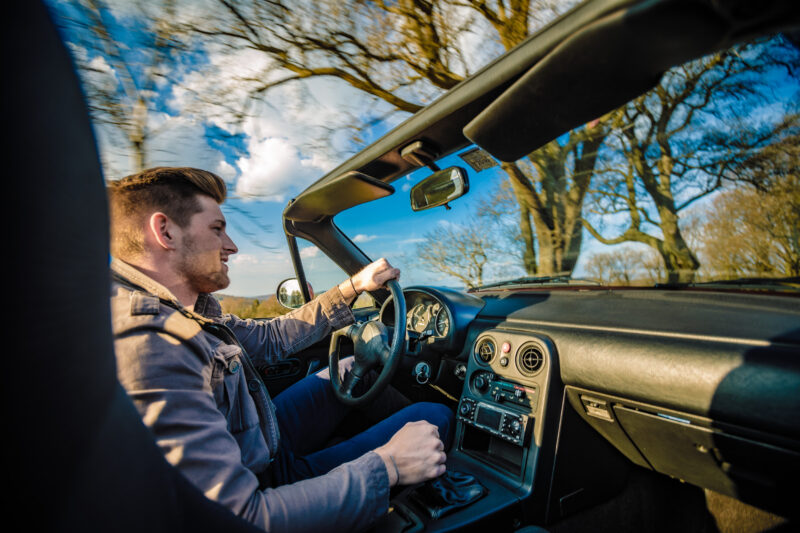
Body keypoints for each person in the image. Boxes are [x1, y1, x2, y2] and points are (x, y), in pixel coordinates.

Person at [107, 166, 454, 532]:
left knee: (348, 369)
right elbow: (240, 518)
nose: (231, 246)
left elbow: (271, 337)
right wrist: (390, 465)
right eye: (216, 228)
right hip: (263, 484)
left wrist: (353, 287)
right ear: (165, 231)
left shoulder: (188, 311)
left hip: (255, 441)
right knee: (434, 416)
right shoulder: (150, 342)